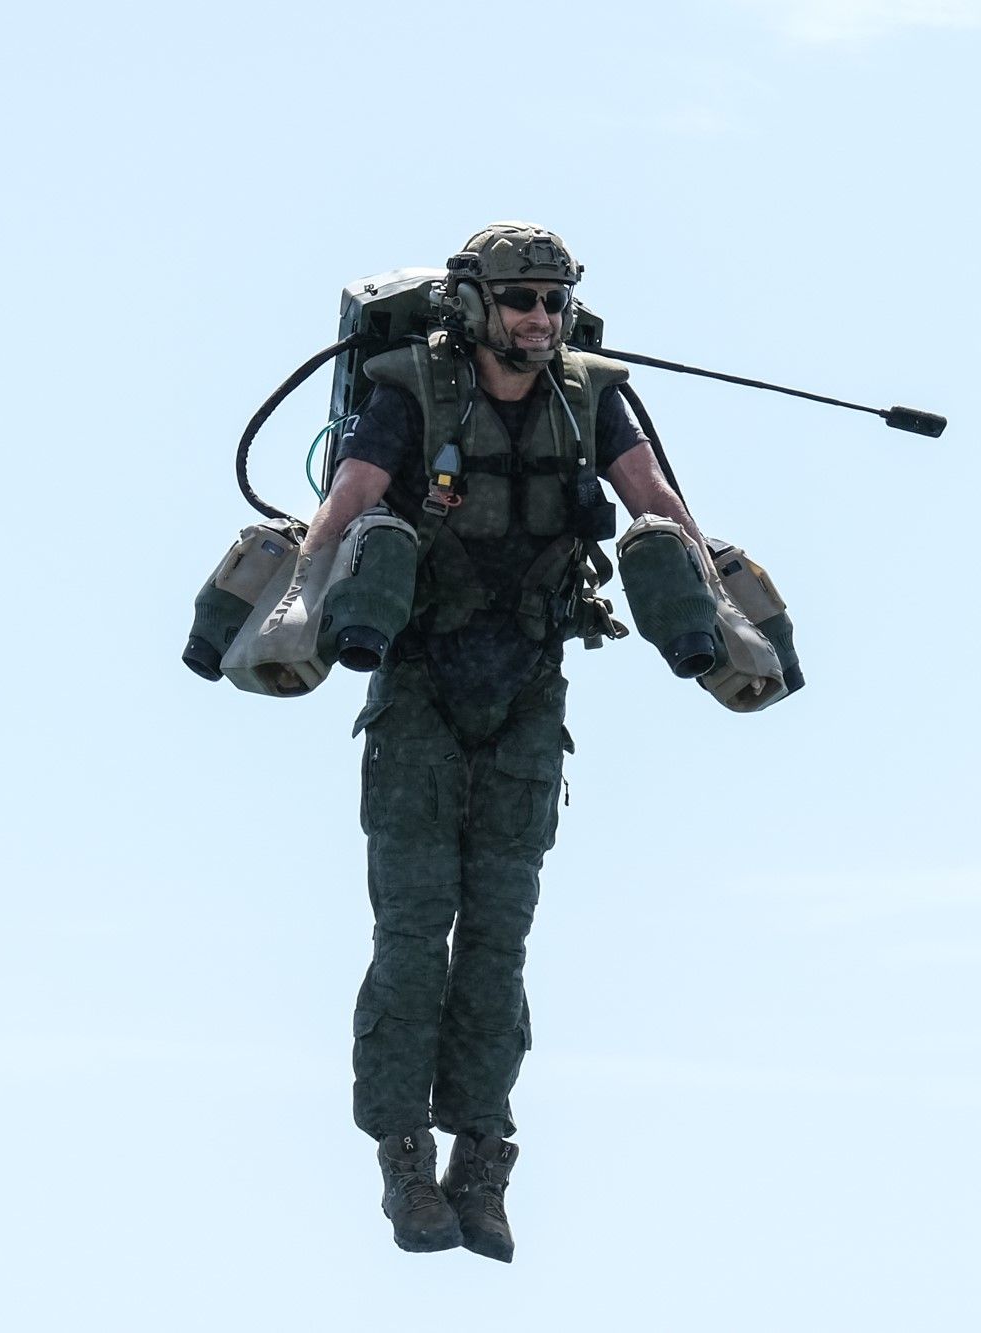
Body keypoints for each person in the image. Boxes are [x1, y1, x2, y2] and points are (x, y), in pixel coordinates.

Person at [299, 222, 703, 1262]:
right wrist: (299, 599)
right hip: (420, 684)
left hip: (526, 685)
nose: (537, 319)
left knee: (498, 939)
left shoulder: (588, 393)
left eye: (552, 303)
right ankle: (399, 1156)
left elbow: (651, 497)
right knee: (410, 934)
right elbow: (345, 507)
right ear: (478, 306)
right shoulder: (411, 394)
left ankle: (481, 1154)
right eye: (520, 301)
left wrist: (711, 581)